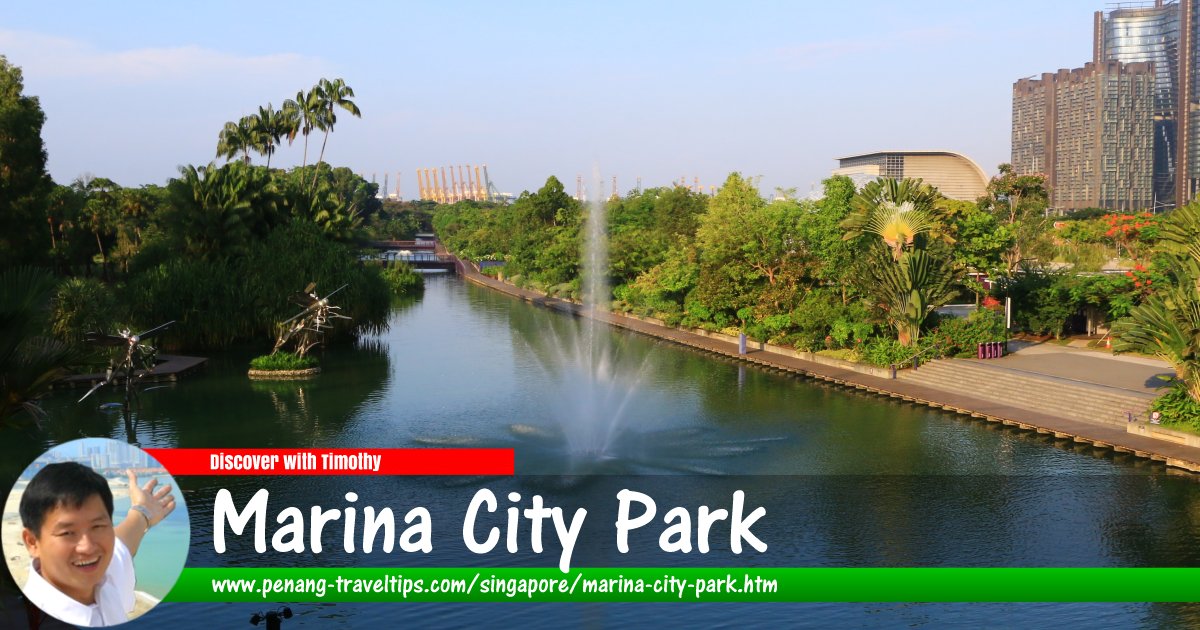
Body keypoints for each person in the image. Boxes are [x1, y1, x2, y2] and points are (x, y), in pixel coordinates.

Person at [18, 462, 175, 627]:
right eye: (67, 533)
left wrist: (143, 511)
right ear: (32, 542)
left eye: (97, 526)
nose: (88, 547)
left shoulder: (104, 577)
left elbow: (123, 543)